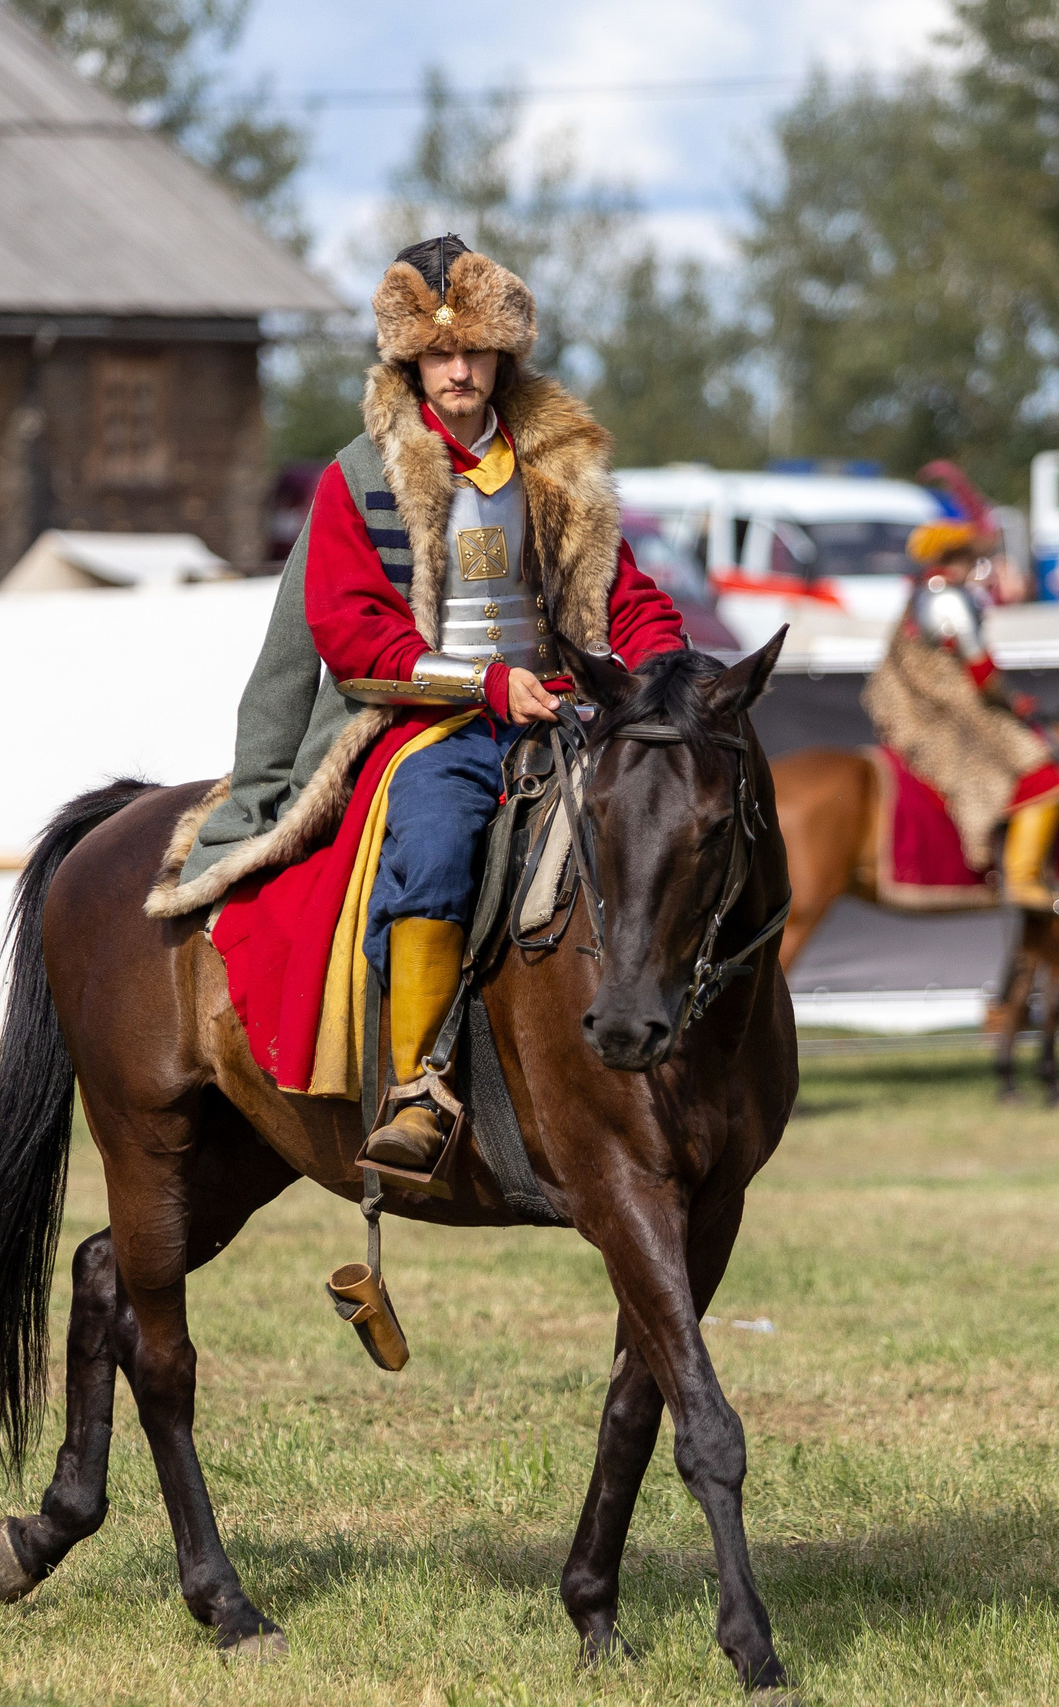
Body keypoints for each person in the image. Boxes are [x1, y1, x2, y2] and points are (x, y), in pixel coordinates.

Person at [144, 235, 688, 1176]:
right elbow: (353, 636)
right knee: (436, 838)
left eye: (474, 351)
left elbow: (621, 593)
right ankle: (418, 1088)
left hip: (561, 708)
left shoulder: (556, 464)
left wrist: (674, 672)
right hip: (428, 723)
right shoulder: (360, 475)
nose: (459, 369)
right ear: (410, 362)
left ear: (503, 356)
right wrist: (482, 685)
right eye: (439, 354)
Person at [860, 520, 1059, 907]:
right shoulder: (950, 597)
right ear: (953, 557)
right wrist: (1014, 702)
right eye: (969, 556)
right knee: (1043, 774)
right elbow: (979, 671)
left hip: (930, 706)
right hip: (949, 714)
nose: (975, 564)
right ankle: (1024, 880)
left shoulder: (921, 593)